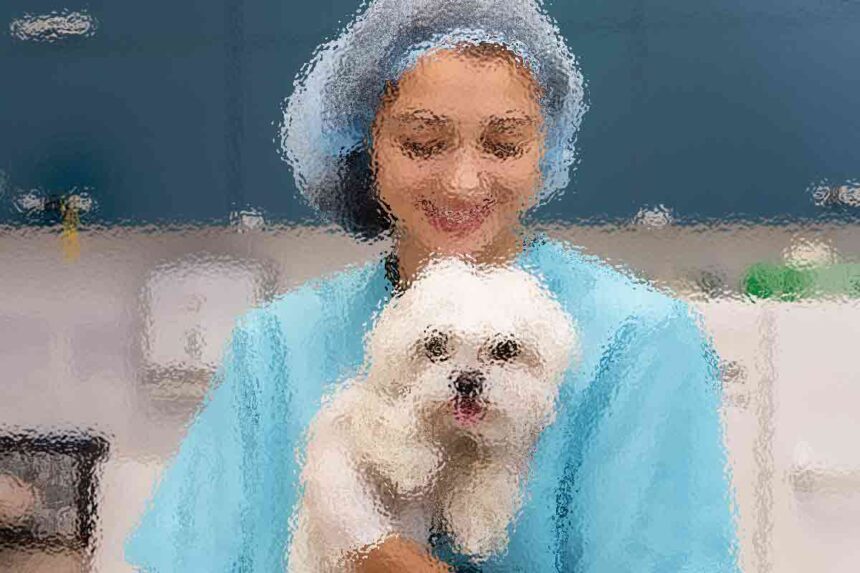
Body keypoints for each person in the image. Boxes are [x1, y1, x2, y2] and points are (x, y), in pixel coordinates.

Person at [125, 0, 739, 571]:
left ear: (544, 149)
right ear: (365, 147)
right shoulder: (277, 347)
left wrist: (376, 550)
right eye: (423, 144)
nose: (464, 182)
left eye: (503, 145)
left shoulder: (637, 344)